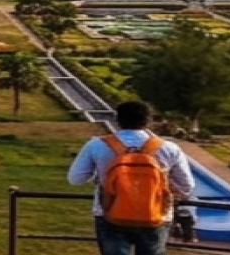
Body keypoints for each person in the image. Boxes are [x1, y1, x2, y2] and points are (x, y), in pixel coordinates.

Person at [67, 100, 196, 255]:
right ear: (148, 121)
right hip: (155, 216)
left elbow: (75, 179)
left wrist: (100, 176)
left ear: (118, 120)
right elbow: (187, 187)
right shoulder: (169, 148)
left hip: (109, 214)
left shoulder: (96, 145)